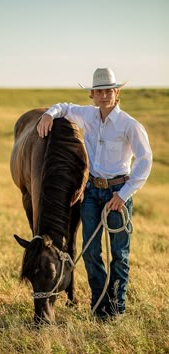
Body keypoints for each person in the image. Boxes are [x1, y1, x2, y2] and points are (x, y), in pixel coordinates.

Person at [36, 68, 152, 319]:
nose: (104, 95)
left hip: (117, 194)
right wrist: (48, 113)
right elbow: (64, 107)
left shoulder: (129, 124)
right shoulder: (88, 115)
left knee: (119, 255)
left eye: (108, 90)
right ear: (92, 94)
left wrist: (123, 195)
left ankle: (117, 308)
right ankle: (99, 307)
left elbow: (145, 160)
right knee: (90, 252)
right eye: (99, 91)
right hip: (91, 192)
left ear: (116, 93)